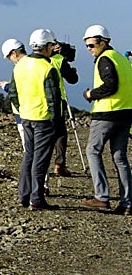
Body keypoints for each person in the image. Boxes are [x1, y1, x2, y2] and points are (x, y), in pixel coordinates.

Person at [80, 24, 132, 213]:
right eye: (87, 46)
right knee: (120, 157)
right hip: (126, 113)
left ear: (103, 42)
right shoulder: (122, 59)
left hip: (107, 113)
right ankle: (127, 202)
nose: (89, 50)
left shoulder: (104, 59)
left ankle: (101, 197)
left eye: (92, 45)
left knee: (93, 151)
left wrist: (90, 94)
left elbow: (111, 85)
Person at [11, 29, 63, 210]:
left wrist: (23, 108)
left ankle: (23, 196)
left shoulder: (20, 66)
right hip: (43, 120)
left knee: (29, 156)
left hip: (26, 117)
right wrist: (56, 122)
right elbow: (53, 99)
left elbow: (13, 93)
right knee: (40, 160)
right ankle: (37, 199)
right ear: (48, 47)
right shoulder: (48, 68)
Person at [50, 39, 80, 175]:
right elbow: (73, 80)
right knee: (60, 133)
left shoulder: (30, 60)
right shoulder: (58, 60)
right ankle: (59, 164)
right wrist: (72, 71)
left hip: (35, 103)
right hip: (57, 101)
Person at [0, 38, 28, 152]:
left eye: (9, 57)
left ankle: (32, 170)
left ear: (14, 53)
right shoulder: (35, 63)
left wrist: (6, 86)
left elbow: (17, 91)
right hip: (33, 113)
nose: (10, 60)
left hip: (23, 113)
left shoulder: (20, 67)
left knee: (29, 149)